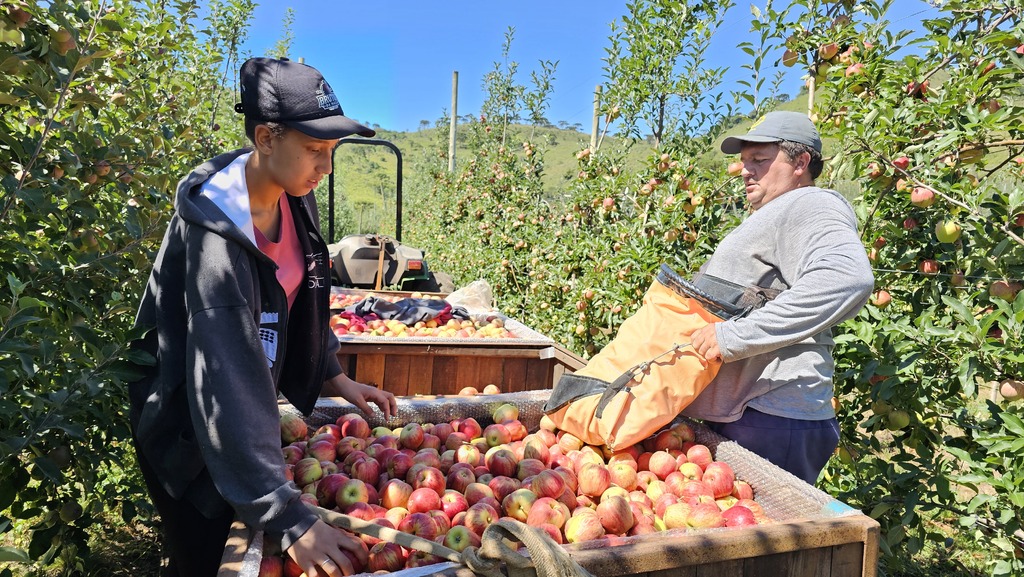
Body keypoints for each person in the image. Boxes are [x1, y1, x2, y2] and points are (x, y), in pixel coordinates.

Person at [129, 57, 397, 577]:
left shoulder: (295, 198)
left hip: (240, 416)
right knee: (207, 553)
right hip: (189, 425)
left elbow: (301, 295)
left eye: (333, 150)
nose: (328, 166)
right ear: (266, 137)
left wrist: (332, 372)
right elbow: (224, 377)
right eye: (316, 150)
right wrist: (287, 517)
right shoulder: (217, 240)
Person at [685, 111, 874, 485]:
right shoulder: (776, 214)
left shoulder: (810, 204)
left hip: (772, 415)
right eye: (744, 162)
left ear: (801, 162)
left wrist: (734, 337)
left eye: (760, 160)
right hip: (751, 412)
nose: (745, 171)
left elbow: (847, 276)